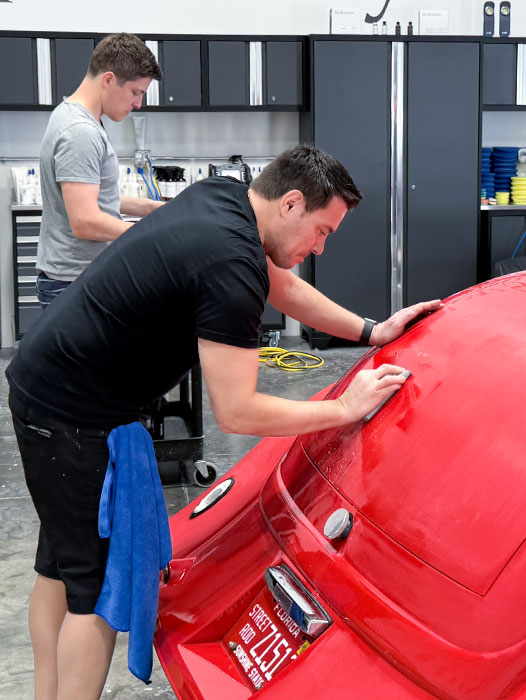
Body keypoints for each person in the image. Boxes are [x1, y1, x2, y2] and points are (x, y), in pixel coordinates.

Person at [7, 144, 442, 700]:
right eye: (323, 230)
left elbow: (280, 286)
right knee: (93, 593)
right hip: (74, 416)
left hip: (45, 383)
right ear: (290, 204)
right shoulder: (230, 262)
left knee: (59, 564)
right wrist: (343, 408)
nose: (320, 247)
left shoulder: (224, 199)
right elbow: (237, 411)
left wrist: (369, 330)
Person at [36, 33, 165, 308]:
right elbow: (85, 221)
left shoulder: (73, 116)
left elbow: (96, 198)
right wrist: (149, 236)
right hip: (73, 283)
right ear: (108, 79)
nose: (138, 103)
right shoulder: (80, 132)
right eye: (136, 92)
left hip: (77, 279)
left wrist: (152, 209)